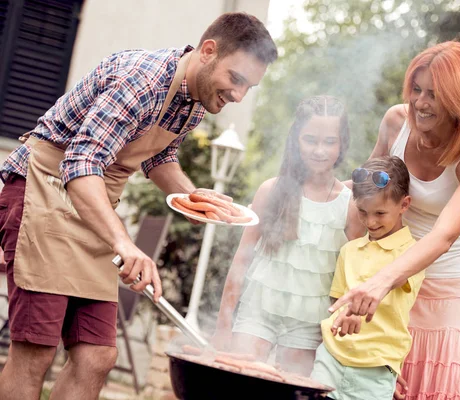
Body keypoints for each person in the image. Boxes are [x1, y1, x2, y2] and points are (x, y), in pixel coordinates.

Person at [0, 12, 277, 400]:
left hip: (91, 206)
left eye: (249, 86)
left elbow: (157, 156)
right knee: (36, 351)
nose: (238, 96)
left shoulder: (195, 98)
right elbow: (80, 163)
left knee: (98, 356)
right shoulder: (141, 81)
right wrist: (125, 244)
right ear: (209, 52)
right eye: (236, 79)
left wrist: (194, 196)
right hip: (42, 189)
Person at [328, 41, 460, 399]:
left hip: (448, 288)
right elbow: (364, 190)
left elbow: (443, 237)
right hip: (387, 272)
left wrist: (380, 283)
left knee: (431, 388)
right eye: (417, 90)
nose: (420, 102)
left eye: (434, 95)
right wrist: (302, 191)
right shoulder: (395, 122)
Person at [213, 95, 364, 376]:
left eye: (329, 141)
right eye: (310, 139)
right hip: (257, 312)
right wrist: (223, 324)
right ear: (296, 138)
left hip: (308, 324)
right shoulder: (271, 191)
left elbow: (350, 278)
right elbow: (241, 261)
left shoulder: (350, 206)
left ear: (342, 143)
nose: (319, 150)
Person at [310, 156, 424, 400]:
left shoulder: (413, 255)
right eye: (362, 211)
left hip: (374, 369)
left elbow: (387, 289)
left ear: (404, 205)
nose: (370, 222)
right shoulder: (348, 250)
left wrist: (386, 371)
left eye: (380, 213)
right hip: (330, 357)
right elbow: (336, 304)